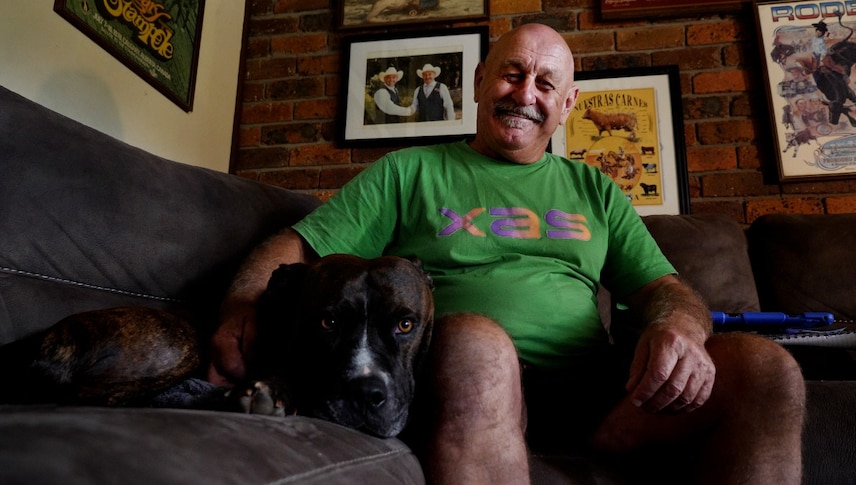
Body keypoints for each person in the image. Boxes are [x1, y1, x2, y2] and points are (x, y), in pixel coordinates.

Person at [209, 24, 805, 484]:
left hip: (595, 391)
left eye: (545, 84)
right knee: (479, 344)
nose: (525, 94)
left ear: (567, 105)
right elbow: (300, 245)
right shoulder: (411, 170)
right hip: (463, 372)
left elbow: (664, 289)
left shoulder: (594, 189)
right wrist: (243, 305)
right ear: (477, 82)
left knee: (767, 369)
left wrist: (679, 326)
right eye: (511, 74)